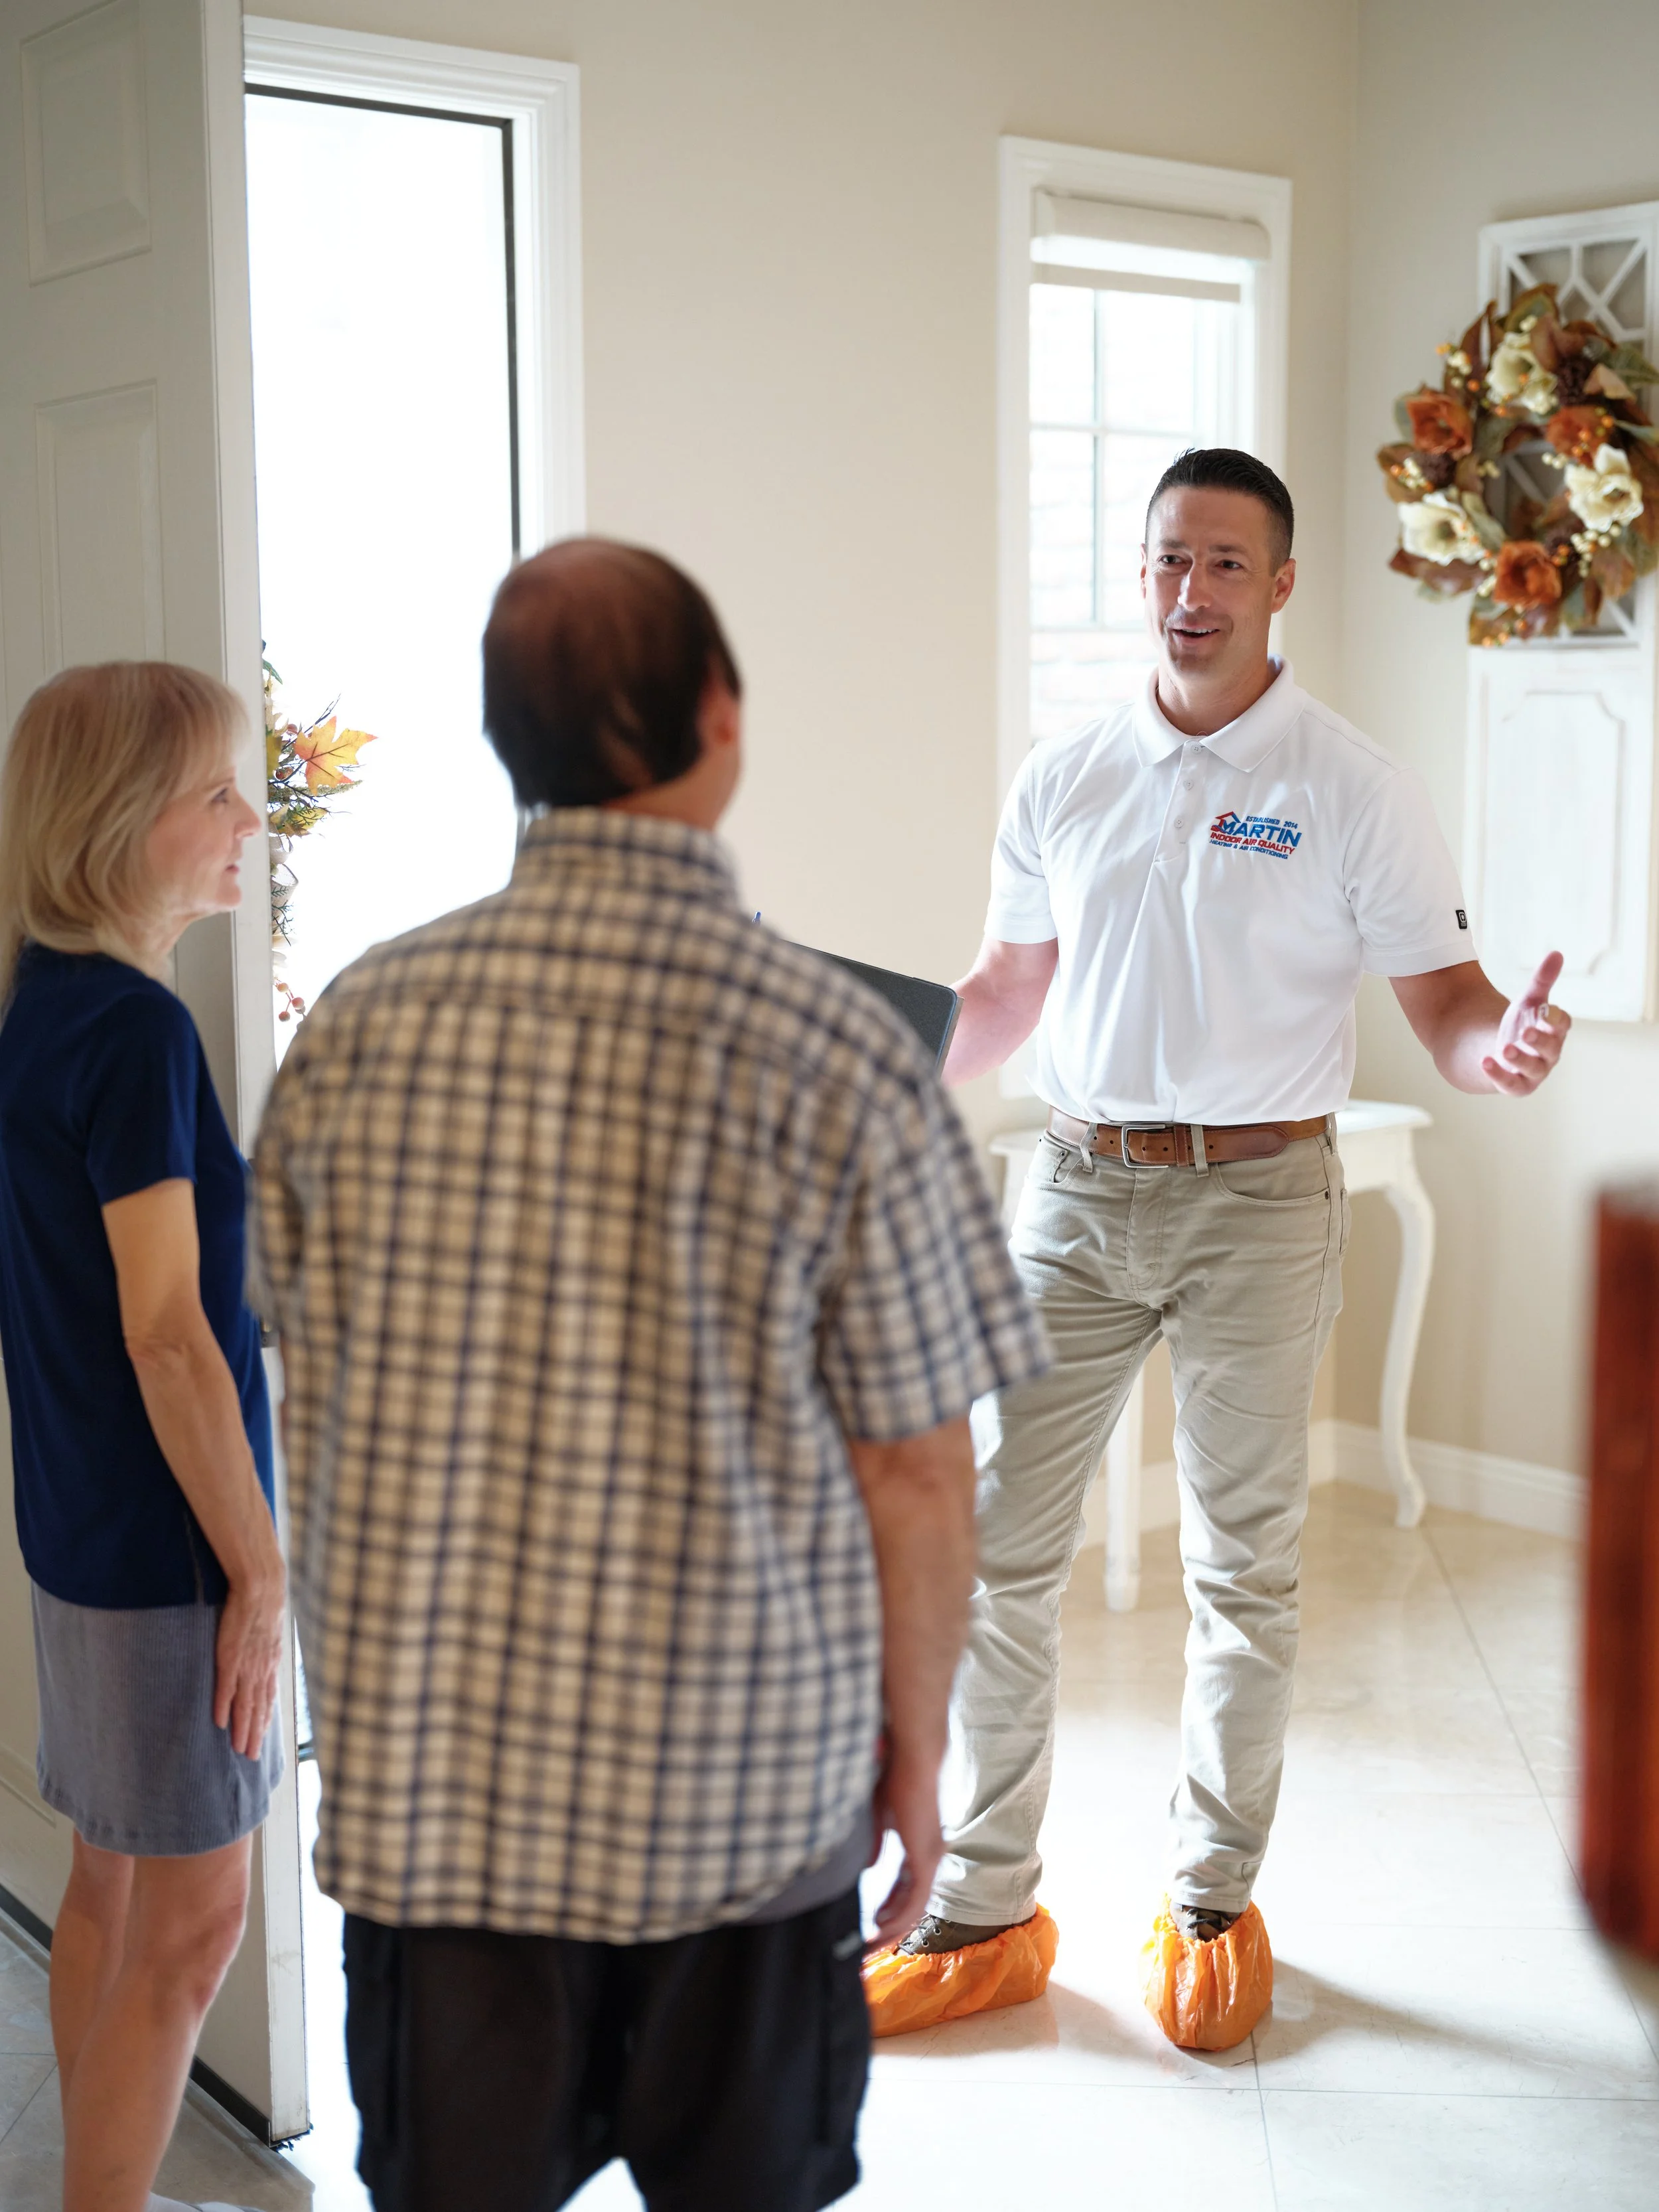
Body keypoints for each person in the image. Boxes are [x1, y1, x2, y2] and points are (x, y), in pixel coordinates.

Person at [250, 538, 1048, 2212]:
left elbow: (299, 1367)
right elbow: (918, 1464)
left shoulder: (355, 1032)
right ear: (718, 715)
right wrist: (913, 1756)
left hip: (443, 1806)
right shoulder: (840, 1050)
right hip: (749, 1808)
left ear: (498, 740)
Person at [867, 447, 1571, 2047]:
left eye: (1224, 566)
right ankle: (981, 1911)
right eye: (1165, 562)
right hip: (1070, 1192)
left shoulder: (1348, 783)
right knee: (991, 1554)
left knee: (1240, 1572)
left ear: (1280, 584)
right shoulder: (1062, 774)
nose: (1189, 595)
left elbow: (1450, 1013)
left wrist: (1498, 1057)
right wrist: (880, 1054)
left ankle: (1208, 1895)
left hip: (1258, 1204)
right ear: (1140, 574)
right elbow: (1002, 995)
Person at [0, 664, 285, 2211]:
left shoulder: (42, 998)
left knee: (106, 1884)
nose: (250, 821)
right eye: (216, 797)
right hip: (169, 1550)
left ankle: (99, 2191)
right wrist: (258, 1571)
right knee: (194, 1928)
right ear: (124, 825)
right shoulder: (134, 1031)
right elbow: (165, 1332)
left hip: (79, 1529)